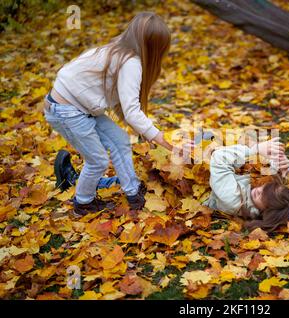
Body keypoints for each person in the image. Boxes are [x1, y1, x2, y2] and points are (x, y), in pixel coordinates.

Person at [44, 12, 189, 217]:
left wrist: (147, 133)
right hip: (65, 110)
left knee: (120, 140)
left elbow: (123, 105)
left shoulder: (119, 52)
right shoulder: (130, 62)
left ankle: (133, 193)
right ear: (153, 48)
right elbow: (132, 111)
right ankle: (83, 203)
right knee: (98, 161)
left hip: (78, 107)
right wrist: (169, 144)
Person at [203, 137, 289, 232]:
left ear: (266, 213)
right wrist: (282, 166)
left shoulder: (234, 199)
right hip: (227, 172)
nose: (260, 191)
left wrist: (255, 149)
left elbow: (219, 158)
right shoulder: (256, 202)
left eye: (264, 198)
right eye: (267, 189)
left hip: (206, 179)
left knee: (204, 138)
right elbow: (278, 183)